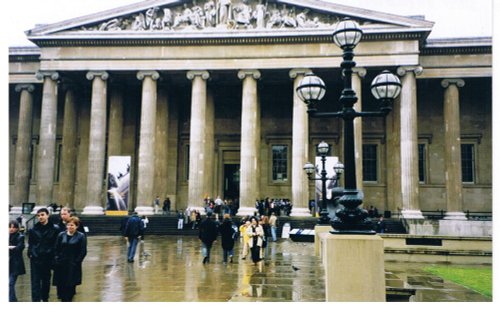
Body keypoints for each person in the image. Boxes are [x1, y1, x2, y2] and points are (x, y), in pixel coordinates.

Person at [28, 208, 60, 302]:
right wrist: (31, 253)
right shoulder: (33, 229)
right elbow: (31, 244)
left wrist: (51, 253)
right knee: (35, 282)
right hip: (36, 259)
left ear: (47, 215)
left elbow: (56, 244)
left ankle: (45, 299)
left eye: (42, 215)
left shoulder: (55, 229)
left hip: (47, 259)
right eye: (38, 215)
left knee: (46, 281)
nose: (40, 217)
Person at [52, 217, 87, 302]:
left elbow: (83, 251)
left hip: (72, 265)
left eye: (72, 225)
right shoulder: (61, 235)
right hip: (61, 265)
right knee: (61, 286)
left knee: (70, 287)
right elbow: (56, 248)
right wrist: (57, 258)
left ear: (76, 226)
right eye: (68, 225)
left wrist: (77, 262)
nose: (70, 227)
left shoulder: (81, 236)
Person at [9, 220, 26, 302]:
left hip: (15, 264)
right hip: (8, 263)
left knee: (10, 283)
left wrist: (10, 248)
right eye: (10, 227)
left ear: (17, 228)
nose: (11, 229)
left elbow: (19, 248)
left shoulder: (20, 237)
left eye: (13, 227)